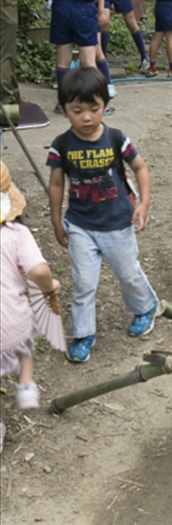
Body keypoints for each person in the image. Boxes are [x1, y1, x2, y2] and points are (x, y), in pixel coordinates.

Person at [46, 67, 158, 363]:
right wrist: (57, 220)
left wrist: (144, 203)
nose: (86, 117)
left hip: (117, 223)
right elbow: (56, 184)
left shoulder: (116, 138)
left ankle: (145, 308)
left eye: (94, 109)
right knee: (83, 282)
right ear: (63, 109)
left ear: (105, 105)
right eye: (77, 110)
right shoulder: (62, 145)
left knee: (128, 273)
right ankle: (83, 333)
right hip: (80, 225)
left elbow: (140, 168)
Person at [1, 161, 61, 450]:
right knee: (25, 341)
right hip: (10, 325)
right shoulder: (15, 234)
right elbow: (37, 271)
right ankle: (26, 387)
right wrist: (49, 287)